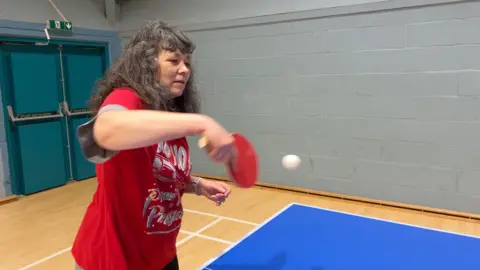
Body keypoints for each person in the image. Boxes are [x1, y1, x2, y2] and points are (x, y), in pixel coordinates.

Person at [71, 20, 235, 270]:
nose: (185, 70)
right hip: (112, 259)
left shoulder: (166, 113)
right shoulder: (126, 98)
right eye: (174, 60)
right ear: (147, 63)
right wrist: (201, 123)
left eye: (187, 63)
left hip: (161, 255)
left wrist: (197, 185)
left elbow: (158, 175)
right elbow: (105, 130)